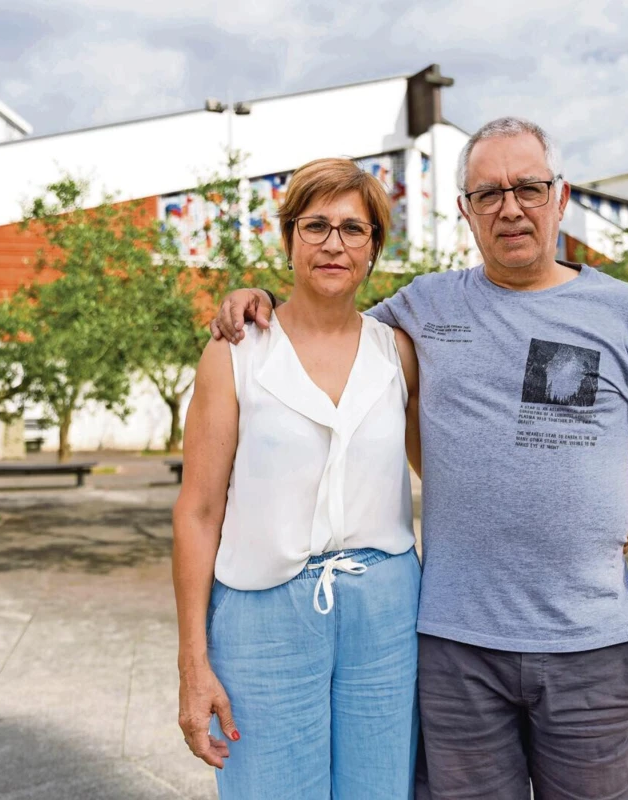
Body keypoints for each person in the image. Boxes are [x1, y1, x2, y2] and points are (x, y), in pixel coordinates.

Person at [212, 117, 628, 799]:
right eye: (488, 193)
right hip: (456, 650)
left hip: (589, 645)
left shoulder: (625, 312)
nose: (510, 208)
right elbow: (328, 321)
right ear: (466, 210)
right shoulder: (425, 305)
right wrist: (260, 299)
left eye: (528, 188)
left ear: (561, 197)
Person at [173, 157, 423, 799]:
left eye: (353, 228)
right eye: (315, 226)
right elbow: (198, 512)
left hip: (386, 612)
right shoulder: (235, 351)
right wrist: (192, 662)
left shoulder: (398, 353)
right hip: (263, 615)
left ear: (374, 247)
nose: (334, 243)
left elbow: (450, 473)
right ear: (288, 239)